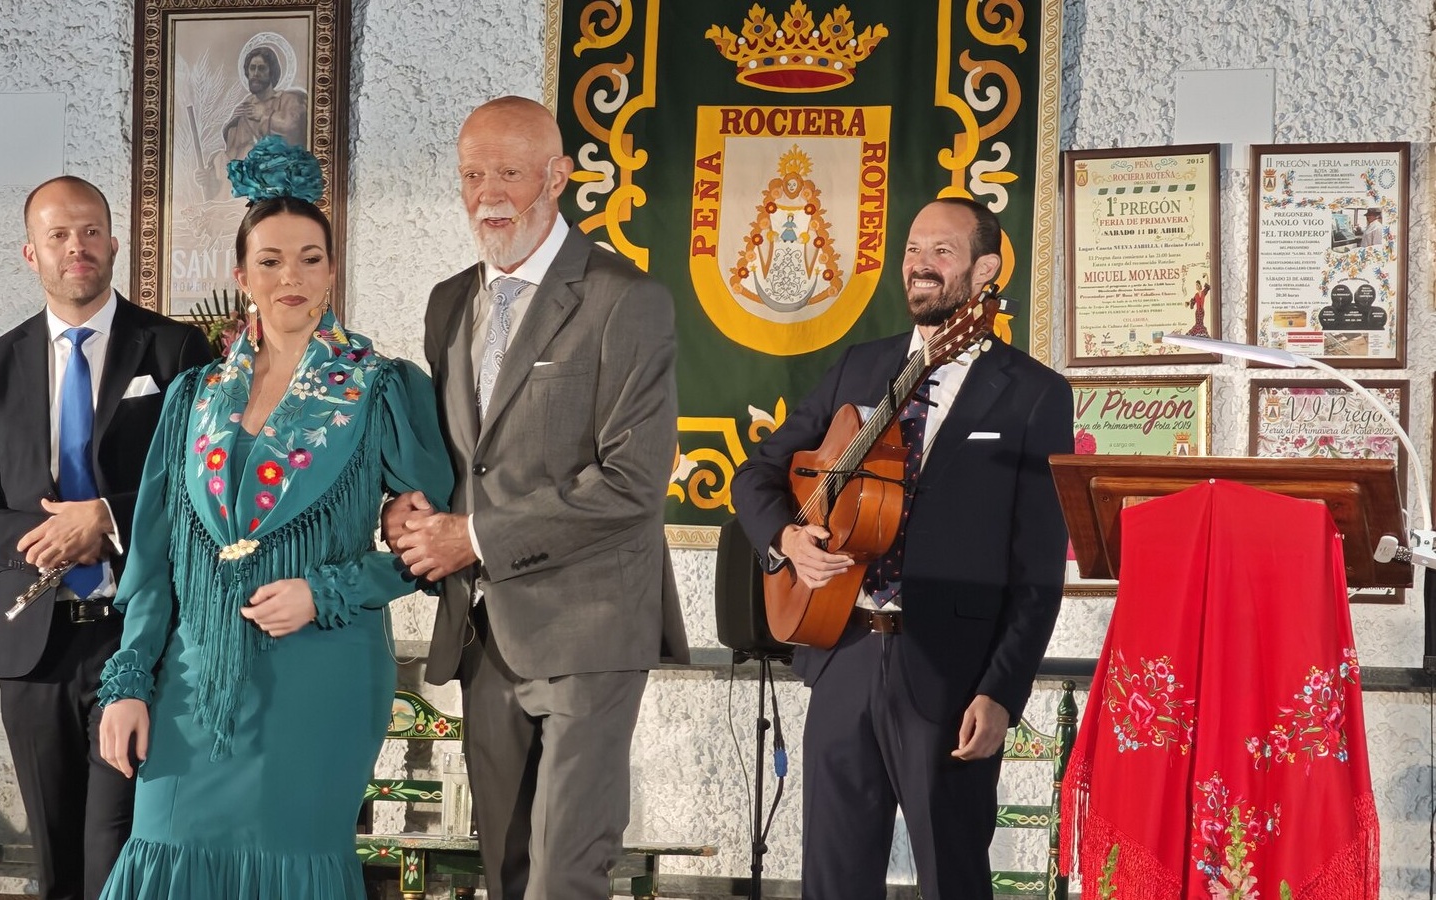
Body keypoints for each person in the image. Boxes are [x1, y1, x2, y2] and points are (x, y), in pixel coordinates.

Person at [94, 135, 455, 898]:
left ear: (332, 269)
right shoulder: (192, 396)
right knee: (162, 846)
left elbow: (433, 547)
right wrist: (127, 682)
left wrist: (323, 593)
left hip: (323, 670)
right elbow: (153, 559)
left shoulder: (381, 387)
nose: (290, 276)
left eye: (310, 258)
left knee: (290, 864)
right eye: (270, 260)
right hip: (191, 678)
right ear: (240, 276)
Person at [384, 96, 689, 900]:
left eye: (509, 173)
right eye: (472, 174)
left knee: (564, 877)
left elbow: (631, 483)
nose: (487, 193)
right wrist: (404, 509)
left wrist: (474, 538)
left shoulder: (628, 299)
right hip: (484, 636)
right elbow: (459, 460)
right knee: (507, 875)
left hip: (588, 629)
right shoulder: (449, 300)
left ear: (557, 177)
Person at [731, 197, 1072, 900]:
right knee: (832, 879)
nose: (919, 264)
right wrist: (787, 539)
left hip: (950, 674)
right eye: (913, 249)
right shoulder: (861, 366)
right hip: (842, 653)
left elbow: (1036, 570)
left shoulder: (1035, 395)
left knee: (951, 877)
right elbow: (757, 473)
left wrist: (1001, 691)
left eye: (940, 252)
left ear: (985, 270)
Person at [0, 176, 214, 900]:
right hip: (35, 653)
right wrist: (50, 535)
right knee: (57, 867)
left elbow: (204, 487)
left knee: (119, 860)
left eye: (90, 231)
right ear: (31, 253)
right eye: (58, 235)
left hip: (144, 641)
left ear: (115, 242)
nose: (76, 247)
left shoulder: (177, 349)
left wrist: (109, 519)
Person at [196, 44, 308, 202]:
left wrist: (265, 114)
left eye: (262, 68)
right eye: (252, 68)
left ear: (272, 72)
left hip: (267, 186)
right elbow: (229, 159)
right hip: (237, 194)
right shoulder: (242, 110)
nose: (255, 73)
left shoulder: (288, 99)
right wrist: (210, 179)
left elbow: (294, 130)